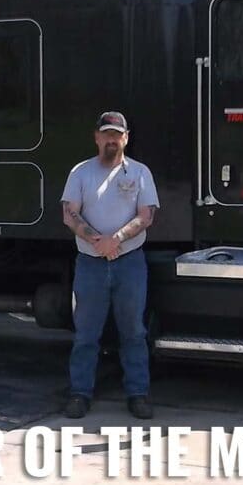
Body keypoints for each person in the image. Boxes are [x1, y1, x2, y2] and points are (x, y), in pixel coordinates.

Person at [60, 111, 160, 419]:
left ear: (126, 138)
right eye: (107, 134)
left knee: (133, 331)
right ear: (97, 137)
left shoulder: (140, 173)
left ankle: (138, 394)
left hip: (129, 263)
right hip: (90, 264)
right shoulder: (80, 172)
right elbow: (69, 213)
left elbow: (147, 216)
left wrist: (114, 239)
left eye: (117, 134)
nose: (112, 140)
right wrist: (97, 242)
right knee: (86, 334)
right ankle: (79, 394)